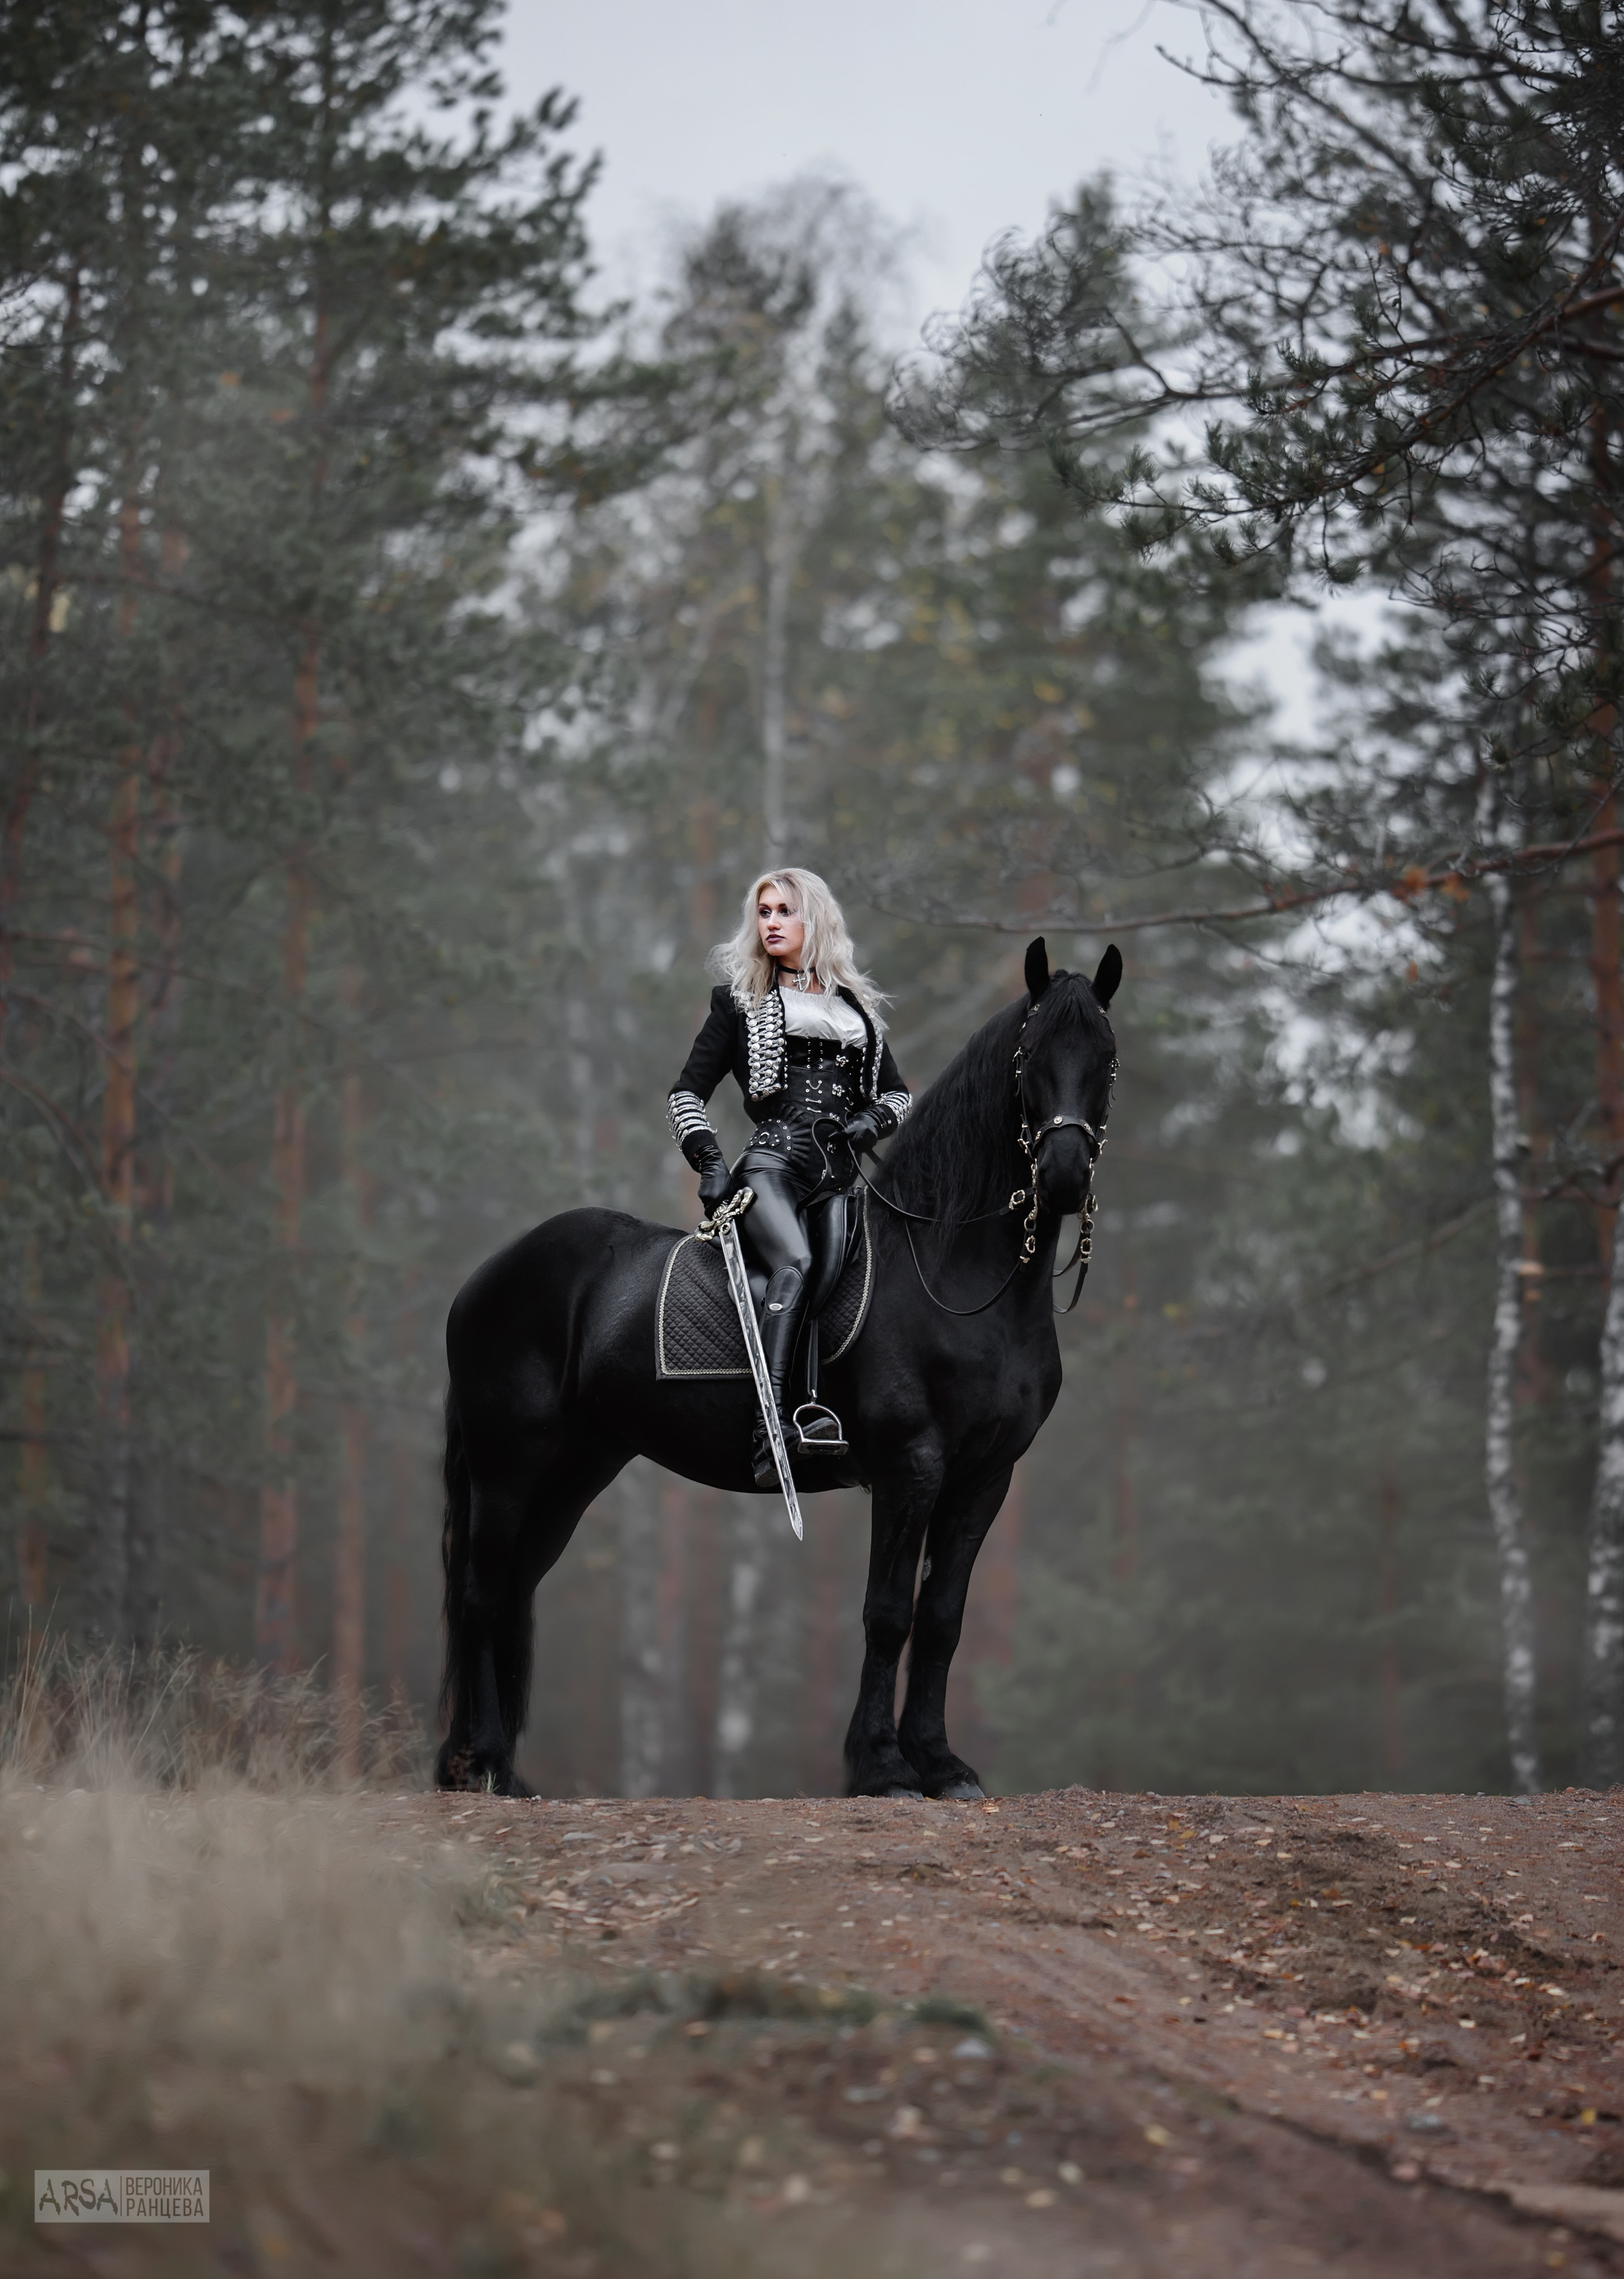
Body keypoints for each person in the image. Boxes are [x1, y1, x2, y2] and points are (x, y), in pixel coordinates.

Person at [668, 869, 911, 1486]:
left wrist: (871, 1121)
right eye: (764, 911)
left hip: (838, 1179)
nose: (771, 921)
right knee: (795, 1265)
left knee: (841, 1286)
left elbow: (901, 1096)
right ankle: (768, 1425)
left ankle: (818, 1408)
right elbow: (686, 1095)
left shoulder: (856, 1011)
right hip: (773, 1167)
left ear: (815, 919)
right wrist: (712, 1163)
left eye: (784, 910)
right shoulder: (739, 1002)